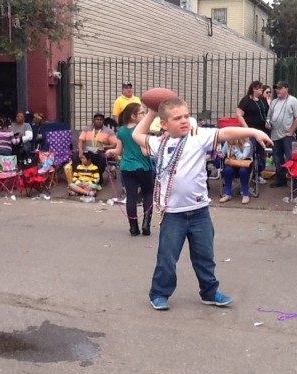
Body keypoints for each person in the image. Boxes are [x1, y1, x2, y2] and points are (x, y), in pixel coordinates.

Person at [131, 97, 273, 310]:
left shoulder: (198, 138)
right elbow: (136, 135)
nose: (184, 121)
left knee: (205, 257)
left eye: (186, 116)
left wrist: (253, 132)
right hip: (173, 215)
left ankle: (209, 292)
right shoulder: (159, 143)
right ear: (164, 124)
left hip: (199, 213)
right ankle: (159, 293)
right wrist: (151, 112)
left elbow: (225, 133)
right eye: (177, 118)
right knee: (167, 259)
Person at [106, 103, 154, 236]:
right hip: (143, 167)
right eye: (142, 113)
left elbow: (118, 150)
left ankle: (133, 227)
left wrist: (110, 151)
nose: (144, 115)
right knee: (148, 194)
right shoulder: (142, 130)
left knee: (131, 196)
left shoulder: (121, 130)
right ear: (133, 116)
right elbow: (146, 152)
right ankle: (146, 223)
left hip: (127, 167)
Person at [266, 81, 297, 188]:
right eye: (277, 88)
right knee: (277, 158)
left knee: (291, 157)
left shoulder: (293, 101)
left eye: (280, 88)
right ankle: (281, 178)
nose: (278, 90)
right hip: (275, 134)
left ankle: (296, 180)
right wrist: (268, 122)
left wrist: (291, 131)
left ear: (286, 89)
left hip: (287, 135)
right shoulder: (274, 102)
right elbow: (269, 115)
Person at [236, 81, 270, 183]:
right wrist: (247, 129)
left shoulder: (263, 100)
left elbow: (267, 113)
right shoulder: (246, 100)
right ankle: (249, 174)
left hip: (262, 130)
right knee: (252, 151)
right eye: (260, 89)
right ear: (254, 89)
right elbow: (239, 114)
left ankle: (258, 173)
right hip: (251, 130)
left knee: (261, 151)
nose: (261, 90)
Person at [77, 113, 117, 183]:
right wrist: (80, 151)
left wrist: (104, 148)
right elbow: (80, 140)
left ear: (103, 121)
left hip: (100, 153)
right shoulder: (87, 129)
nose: (99, 121)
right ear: (93, 120)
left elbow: (115, 144)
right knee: (75, 156)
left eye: (101, 119)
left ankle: (98, 176)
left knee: (102, 156)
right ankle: (79, 176)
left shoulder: (109, 131)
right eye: (97, 119)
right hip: (88, 153)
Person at [218, 137, 252, 204]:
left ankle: (245, 194)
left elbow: (242, 158)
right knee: (227, 169)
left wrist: (235, 148)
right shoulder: (227, 142)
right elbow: (223, 152)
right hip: (233, 163)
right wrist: (221, 154)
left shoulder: (246, 145)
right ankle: (228, 194)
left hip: (244, 164)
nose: (228, 140)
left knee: (243, 171)